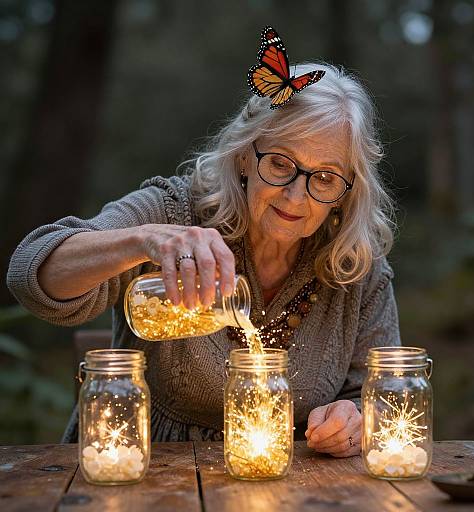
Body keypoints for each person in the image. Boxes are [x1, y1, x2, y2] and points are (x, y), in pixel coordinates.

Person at [7, 61, 400, 458]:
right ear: (245, 156)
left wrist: (355, 419)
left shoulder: (354, 267)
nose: (296, 196)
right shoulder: (172, 213)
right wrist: (142, 240)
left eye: (325, 177)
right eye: (281, 163)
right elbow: (31, 274)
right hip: (136, 466)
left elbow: (384, 398)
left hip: (288, 483)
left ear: (349, 189)